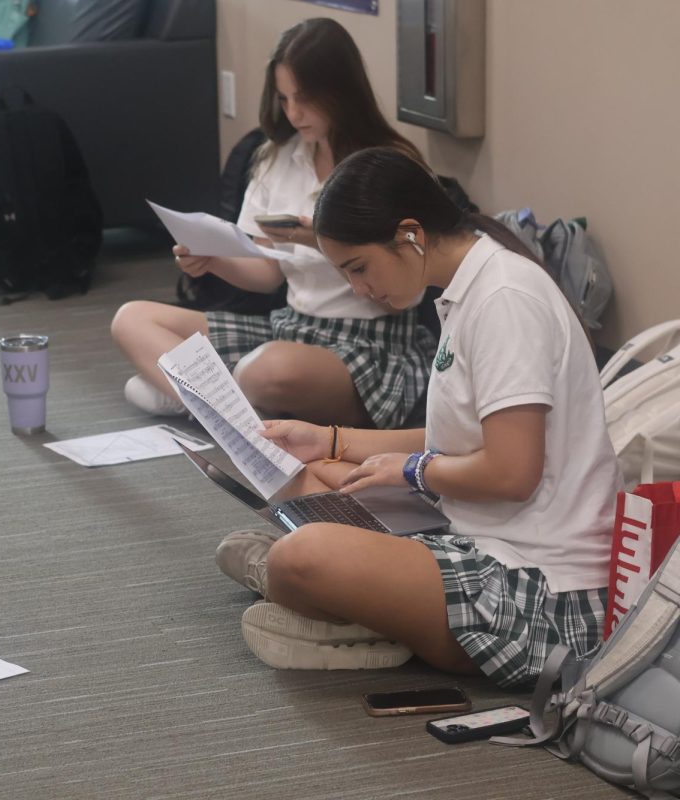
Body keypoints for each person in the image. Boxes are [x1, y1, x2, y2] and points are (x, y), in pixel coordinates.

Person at [215, 147, 621, 688]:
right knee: (309, 477)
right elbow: (459, 437)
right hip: (478, 535)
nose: (360, 289)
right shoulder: (470, 288)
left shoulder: (504, 299)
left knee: (305, 553)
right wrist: (330, 440)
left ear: (409, 234)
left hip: (541, 596)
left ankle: (311, 593)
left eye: (359, 269)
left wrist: (412, 471)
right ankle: (345, 610)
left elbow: (511, 472)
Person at [111, 17, 436, 429]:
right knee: (132, 319)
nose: (294, 113)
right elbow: (267, 274)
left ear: (340, 90)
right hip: (290, 328)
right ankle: (240, 411)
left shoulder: (388, 163)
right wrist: (213, 261)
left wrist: (320, 241)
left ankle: (211, 399)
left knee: (262, 371)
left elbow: (406, 293)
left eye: (304, 98)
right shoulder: (277, 157)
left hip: (370, 342)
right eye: (283, 99)